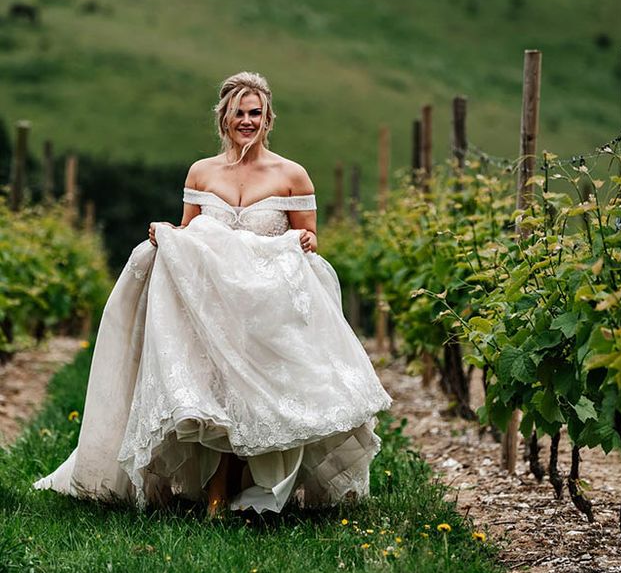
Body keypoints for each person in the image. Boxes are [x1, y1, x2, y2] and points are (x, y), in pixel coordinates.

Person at [33, 71, 392, 517]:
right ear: (223, 118)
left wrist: (305, 243)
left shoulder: (292, 175)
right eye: (238, 112)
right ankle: (216, 491)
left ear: (268, 118)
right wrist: (165, 235)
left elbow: (310, 238)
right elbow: (190, 232)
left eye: (255, 113)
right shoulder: (202, 172)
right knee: (217, 392)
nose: (247, 120)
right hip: (212, 308)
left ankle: (240, 489)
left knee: (255, 395)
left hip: (266, 307)